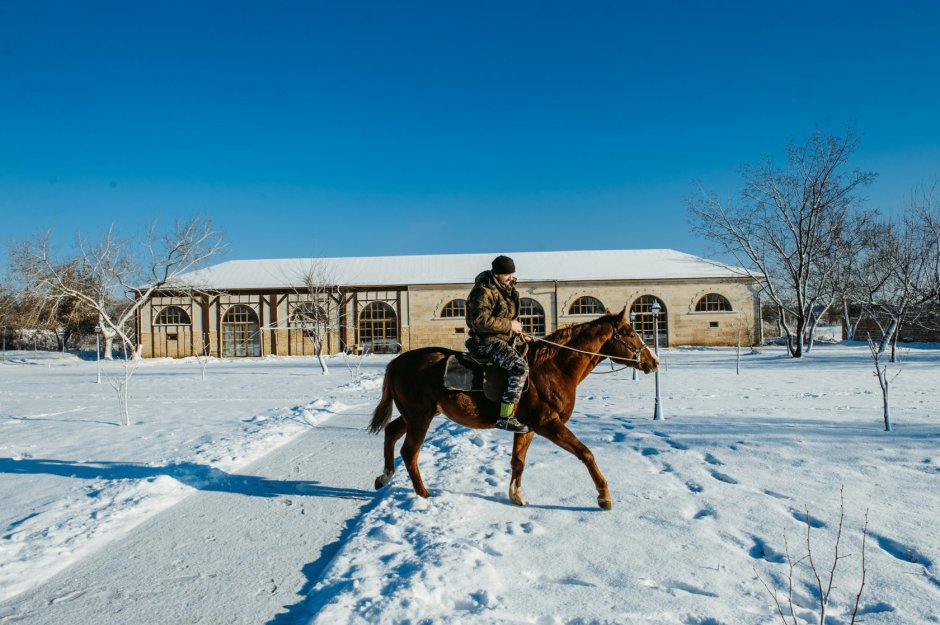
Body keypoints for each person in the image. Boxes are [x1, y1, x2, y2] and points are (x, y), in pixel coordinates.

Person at [465, 255, 529, 433]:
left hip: (505, 339)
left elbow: (508, 317)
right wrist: (510, 325)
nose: (511, 277)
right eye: (507, 274)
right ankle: (506, 417)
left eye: (512, 273)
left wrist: (519, 332)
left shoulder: (506, 289)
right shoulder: (484, 291)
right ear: (496, 274)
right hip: (487, 341)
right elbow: (479, 320)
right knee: (519, 367)